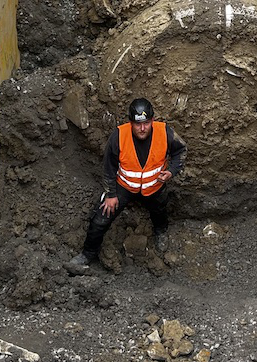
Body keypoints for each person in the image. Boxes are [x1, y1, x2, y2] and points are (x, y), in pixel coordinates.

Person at [67, 98, 187, 271]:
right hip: (124, 187)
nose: (143, 128)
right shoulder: (119, 136)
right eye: (138, 124)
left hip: (154, 186)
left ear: (152, 120)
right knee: (100, 219)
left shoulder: (165, 132)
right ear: (131, 122)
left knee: (160, 211)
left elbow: (181, 150)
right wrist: (111, 195)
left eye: (146, 123)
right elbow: (108, 167)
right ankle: (87, 254)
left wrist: (172, 171)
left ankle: (161, 232)